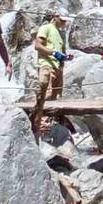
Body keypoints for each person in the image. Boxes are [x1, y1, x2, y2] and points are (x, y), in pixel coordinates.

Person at [31, 11, 71, 139]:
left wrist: (65, 57)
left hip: (58, 68)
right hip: (47, 66)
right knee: (46, 95)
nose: (64, 23)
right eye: (62, 20)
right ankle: (39, 126)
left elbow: (59, 53)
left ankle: (49, 127)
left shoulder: (59, 34)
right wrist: (54, 53)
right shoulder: (46, 28)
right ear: (55, 17)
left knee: (55, 97)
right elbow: (38, 45)